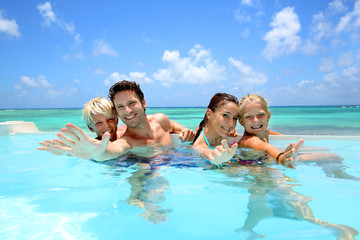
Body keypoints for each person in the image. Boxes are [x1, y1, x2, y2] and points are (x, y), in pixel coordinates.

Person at [51, 80, 195, 161]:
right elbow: (111, 149)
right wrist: (94, 152)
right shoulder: (127, 141)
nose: (127, 111)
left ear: (143, 103)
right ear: (118, 113)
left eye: (132, 103)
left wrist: (183, 130)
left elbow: (172, 125)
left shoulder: (161, 120)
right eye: (120, 107)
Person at [192, 93, 302, 168]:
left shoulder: (221, 134)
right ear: (209, 114)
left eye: (234, 118)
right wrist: (215, 158)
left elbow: (265, 132)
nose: (231, 123)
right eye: (225, 115)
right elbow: (207, 152)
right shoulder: (200, 146)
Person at [38, 97, 124, 155]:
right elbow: (79, 151)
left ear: (116, 120)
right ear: (91, 128)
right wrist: (66, 152)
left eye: (110, 119)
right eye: (99, 123)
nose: (106, 125)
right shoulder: (90, 145)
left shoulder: (126, 136)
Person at [237, 94, 304, 168]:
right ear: (241, 121)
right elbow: (266, 148)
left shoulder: (264, 132)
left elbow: (268, 131)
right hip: (253, 169)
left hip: (262, 163)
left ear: (268, 116)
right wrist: (281, 158)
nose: (256, 121)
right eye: (248, 117)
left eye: (260, 115)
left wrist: (285, 137)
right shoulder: (249, 140)